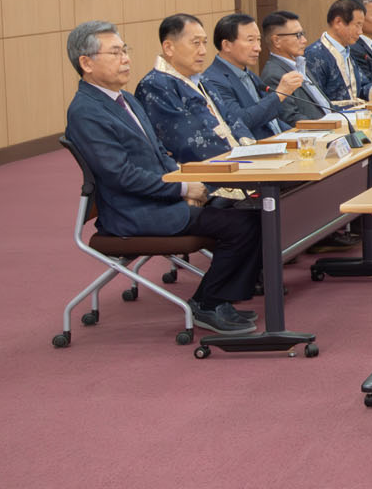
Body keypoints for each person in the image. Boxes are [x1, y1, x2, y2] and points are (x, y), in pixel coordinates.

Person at [63, 21, 261, 335]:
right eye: (115, 53)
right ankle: (207, 303)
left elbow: (160, 154)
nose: (126, 59)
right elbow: (121, 176)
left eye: (125, 50)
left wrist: (185, 185)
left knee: (252, 211)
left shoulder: (124, 99)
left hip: (159, 197)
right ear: (86, 63)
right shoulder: (86, 111)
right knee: (243, 226)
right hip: (133, 211)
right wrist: (181, 189)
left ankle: (220, 299)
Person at [134, 13, 253, 164]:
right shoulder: (154, 85)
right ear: (169, 48)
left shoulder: (201, 79)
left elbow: (230, 118)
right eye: (196, 43)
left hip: (235, 160)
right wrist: (236, 156)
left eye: (204, 43)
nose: (203, 51)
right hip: (203, 170)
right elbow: (186, 140)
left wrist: (249, 149)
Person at [203, 12, 301, 139]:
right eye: (250, 40)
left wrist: (297, 135)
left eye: (258, 40)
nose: (258, 48)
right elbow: (240, 121)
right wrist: (279, 94)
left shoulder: (248, 73)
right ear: (226, 45)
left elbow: (272, 121)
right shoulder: (212, 79)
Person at [304, 0, 372, 104]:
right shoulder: (315, 54)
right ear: (338, 22)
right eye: (357, 25)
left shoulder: (347, 51)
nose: (360, 32)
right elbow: (316, 102)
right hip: (339, 114)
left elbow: (360, 86)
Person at [259, 10, 339, 126]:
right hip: (317, 132)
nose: (304, 40)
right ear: (276, 41)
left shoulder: (300, 64)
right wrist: (328, 125)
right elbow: (290, 118)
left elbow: (324, 104)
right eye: (298, 35)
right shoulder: (274, 75)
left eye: (303, 34)